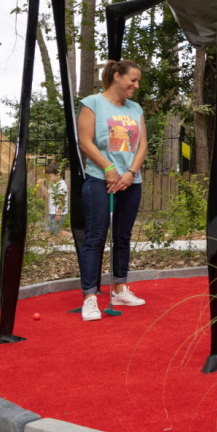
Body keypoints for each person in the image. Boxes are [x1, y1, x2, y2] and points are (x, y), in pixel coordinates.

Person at [76, 60, 149, 321]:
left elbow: (142, 146)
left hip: (130, 181)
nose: (136, 85)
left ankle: (119, 289)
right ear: (117, 76)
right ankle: (89, 298)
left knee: (122, 237)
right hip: (101, 180)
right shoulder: (92, 103)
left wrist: (130, 173)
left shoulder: (135, 108)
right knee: (95, 238)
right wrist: (108, 167)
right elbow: (85, 141)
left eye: (137, 81)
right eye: (132, 80)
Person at [38, 163, 68, 236]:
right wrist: (41, 184)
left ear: (57, 175)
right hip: (53, 212)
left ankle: (72, 236)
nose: (49, 178)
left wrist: (58, 213)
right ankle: (50, 242)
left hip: (58, 213)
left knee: (56, 231)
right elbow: (47, 194)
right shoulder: (55, 185)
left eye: (50, 176)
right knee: (48, 230)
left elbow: (61, 200)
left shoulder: (62, 185)